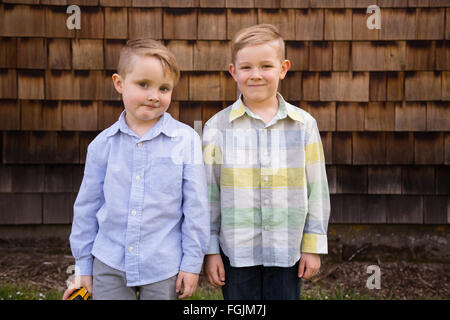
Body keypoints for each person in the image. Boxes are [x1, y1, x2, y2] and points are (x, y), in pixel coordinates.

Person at [63, 39, 209, 300]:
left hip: (163, 263)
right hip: (110, 261)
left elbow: (196, 207)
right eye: (144, 85)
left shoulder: (186, 141)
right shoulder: (102, 145)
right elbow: (87, 207)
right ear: (119, 83)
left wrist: (191, 263)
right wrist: (83, 265)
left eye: (164, 88)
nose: (155, 95)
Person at [202, 24, 330, 300]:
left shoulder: (304, 126)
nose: (256, 75)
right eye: (246, 67)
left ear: (283, 68)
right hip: (236, 252)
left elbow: (317, 190)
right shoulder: (217, 127)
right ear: (233, 71)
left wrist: (313, 245)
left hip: (287, 249)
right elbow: (209, 194)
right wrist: (211, 249)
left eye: (266, 66)